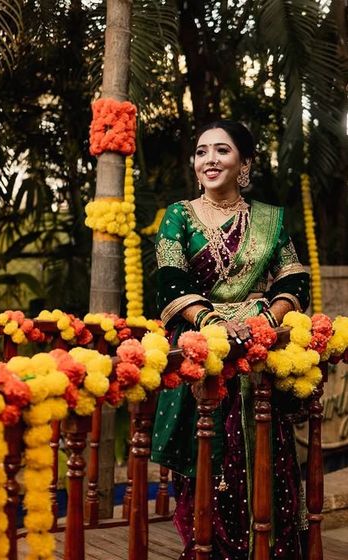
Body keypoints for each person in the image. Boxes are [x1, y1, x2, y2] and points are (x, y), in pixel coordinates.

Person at [150, 120, 310, 560]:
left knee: (266, 450)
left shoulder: (269, 219)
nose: (210, 160)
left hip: (258, 349)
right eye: (202, 152)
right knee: (207, 454)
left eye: (222, 151)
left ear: (244, 162)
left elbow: (295, 279)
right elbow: (169, 280)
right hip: (204, 348)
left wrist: (263, 317)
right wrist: (214, 322)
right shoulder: (178, 216)